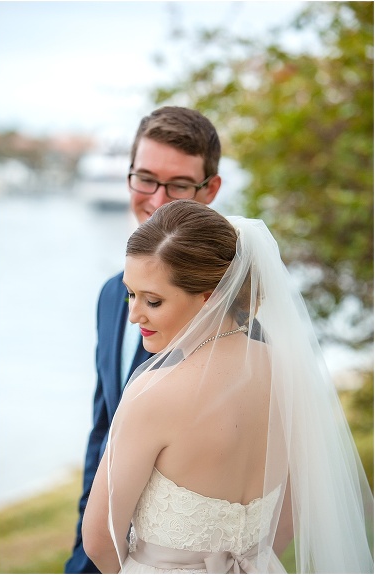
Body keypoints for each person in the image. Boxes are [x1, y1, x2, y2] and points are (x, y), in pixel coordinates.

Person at [82, 200, 373, 573]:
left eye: (152, 300)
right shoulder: (288, 372)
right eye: (130, 294)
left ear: (210, 297)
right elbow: (293, 509)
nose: (135, 314)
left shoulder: (153, 394)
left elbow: (99, 538)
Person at [66, 106, 223, 573]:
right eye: (145, 179)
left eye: (177, 185)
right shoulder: (112, 296)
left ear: (210, 189)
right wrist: (81, 558)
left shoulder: (236, 316)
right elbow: (102, 433)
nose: (158, 200)